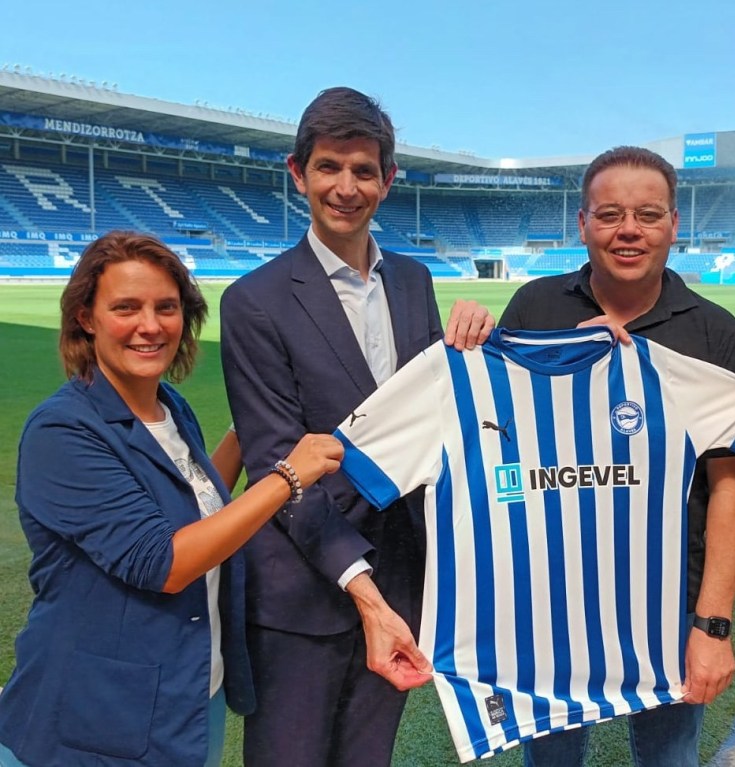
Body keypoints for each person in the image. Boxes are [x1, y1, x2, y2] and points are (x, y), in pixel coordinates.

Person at [219, 86, 492, 767]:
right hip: (301, 596)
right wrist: (363, 592)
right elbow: (278, 465)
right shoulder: (253, 301)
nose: (346, 187)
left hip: (400, 580)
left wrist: (480, 345)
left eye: (364, 170)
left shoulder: (414, 281)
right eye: (329, 167)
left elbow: (435, 421)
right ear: (298, 173)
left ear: (388, 179)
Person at [0, 231, 342, 767]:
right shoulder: (62, 431)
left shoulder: (169, 407)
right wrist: (287, 477)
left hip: (188, 691)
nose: (151, 325)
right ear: (86, 318)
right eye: (125, 308)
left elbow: (196, 505)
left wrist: (250, 427)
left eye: (166, 307)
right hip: (97, 714)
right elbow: (165, 562)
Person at [499, 146, 735, 767]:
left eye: (648, 214)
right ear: (583, 223)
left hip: (671, 602)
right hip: (550, 598)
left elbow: (731, 488)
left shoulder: (713, 330)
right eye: (610, 214)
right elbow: (496, 449)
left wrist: (713, 625)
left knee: (669, 759)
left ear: (674, 224)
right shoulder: (534, 309)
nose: (629, 230)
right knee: (550, 762)